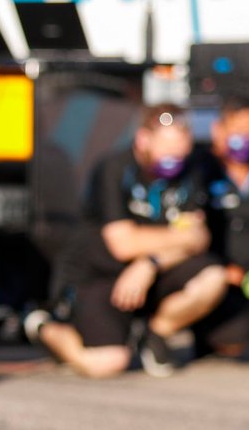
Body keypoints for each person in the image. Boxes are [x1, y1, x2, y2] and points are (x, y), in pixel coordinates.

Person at [27, 106, 226, 378]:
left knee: (213, 276)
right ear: (143, 140)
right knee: (107, 363)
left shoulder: (190, 172)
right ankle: (43, 327)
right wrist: (176, 239)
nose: (174, 161)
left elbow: (198, 238)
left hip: (149, 274)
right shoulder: (114, 169)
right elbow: (123, 244)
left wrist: (151, 261)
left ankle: (155, 334)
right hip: (99, 276)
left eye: (180, 153)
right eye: (167, 153)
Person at [192, 95, 249, 363]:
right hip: (220, 275)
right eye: (241, 131)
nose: (248, 138)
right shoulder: (199, 171)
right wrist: (229, 272)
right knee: (231, 341)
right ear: (220, 130)